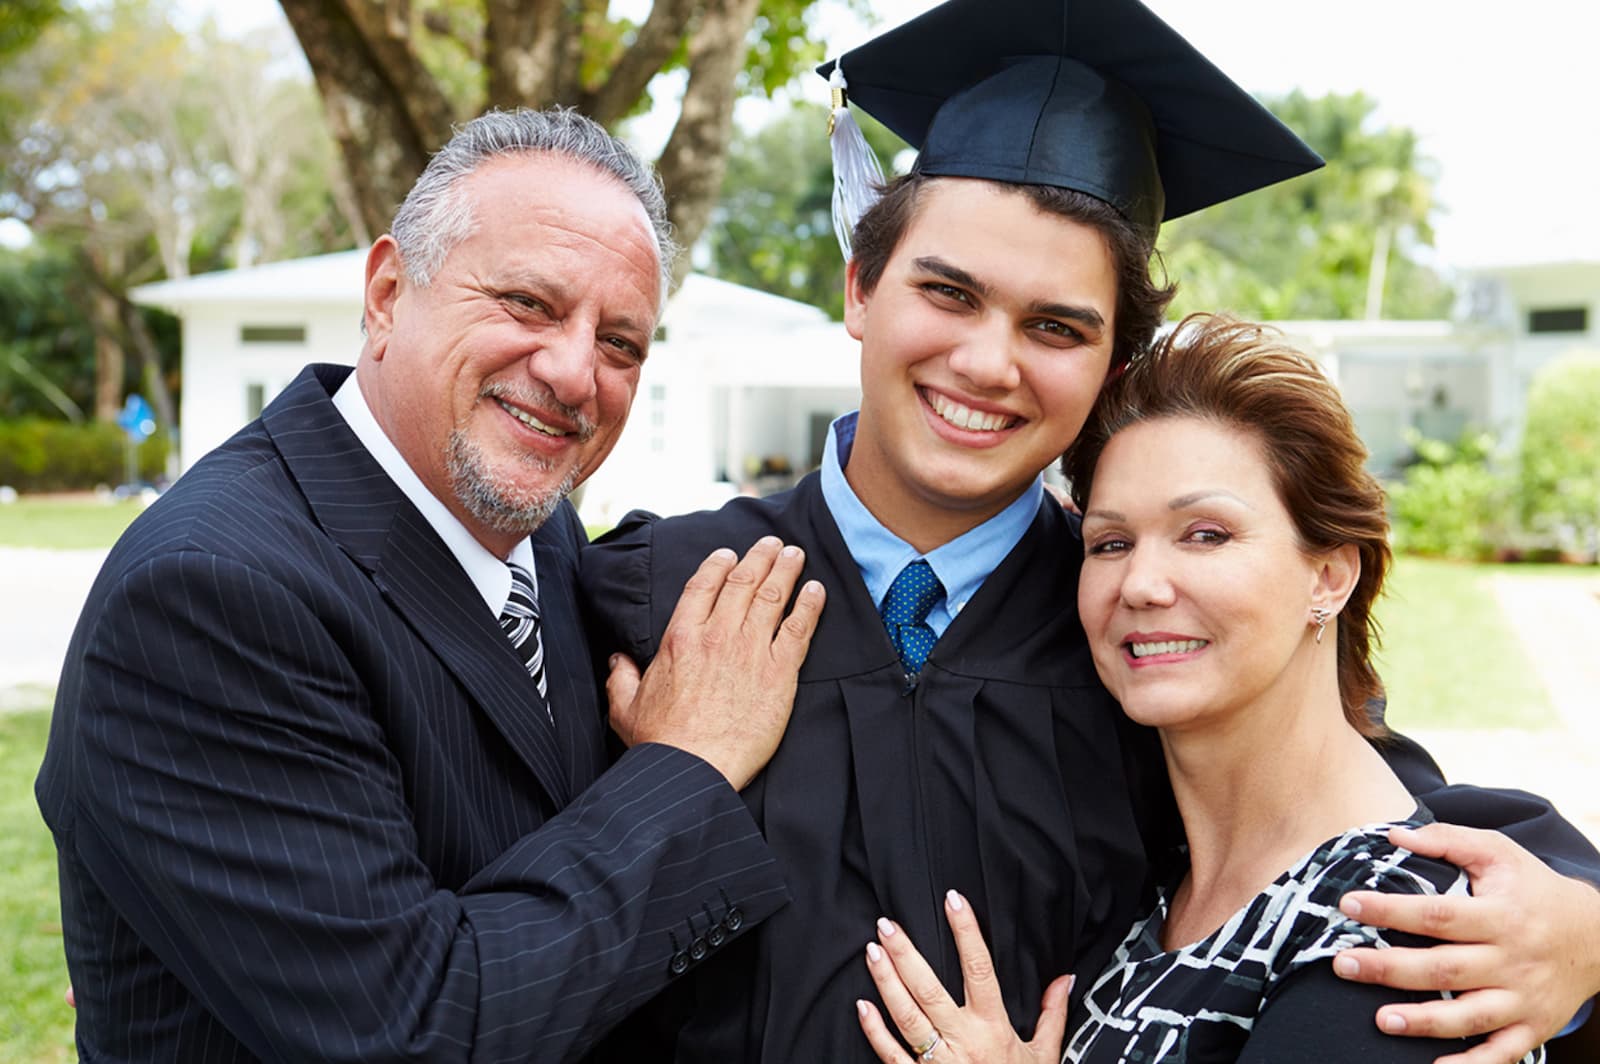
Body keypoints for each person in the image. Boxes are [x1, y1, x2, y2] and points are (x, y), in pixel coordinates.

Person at [580, 0, 1600, 1060]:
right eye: (948, 293)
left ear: (1111, 366)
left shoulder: (1143, 635)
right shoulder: (657, 593)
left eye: (1055, 326)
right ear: (861, 288)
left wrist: (1583, 920)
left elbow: (1359, 804)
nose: (987, 362)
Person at [35, 107, 827, 1063]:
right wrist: (687, 768)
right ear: (386, 293)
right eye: (527, 303)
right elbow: (414, 1031)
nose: (575, 372)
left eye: (621, 343)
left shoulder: (540, 528)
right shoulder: (207, 595)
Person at [854, 315, 1596, 1062]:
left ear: (1329, 576)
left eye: (1206, 534)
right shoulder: (1158, 868)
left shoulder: (1394, 933)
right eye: (1110, 543)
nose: (1140, 584)